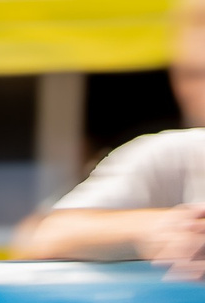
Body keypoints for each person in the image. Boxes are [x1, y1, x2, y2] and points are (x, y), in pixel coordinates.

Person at [15, 2, 205, 276]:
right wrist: (156, 228)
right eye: (192, 75)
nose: (194, 92)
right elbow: (39, 238)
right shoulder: (174, 155)